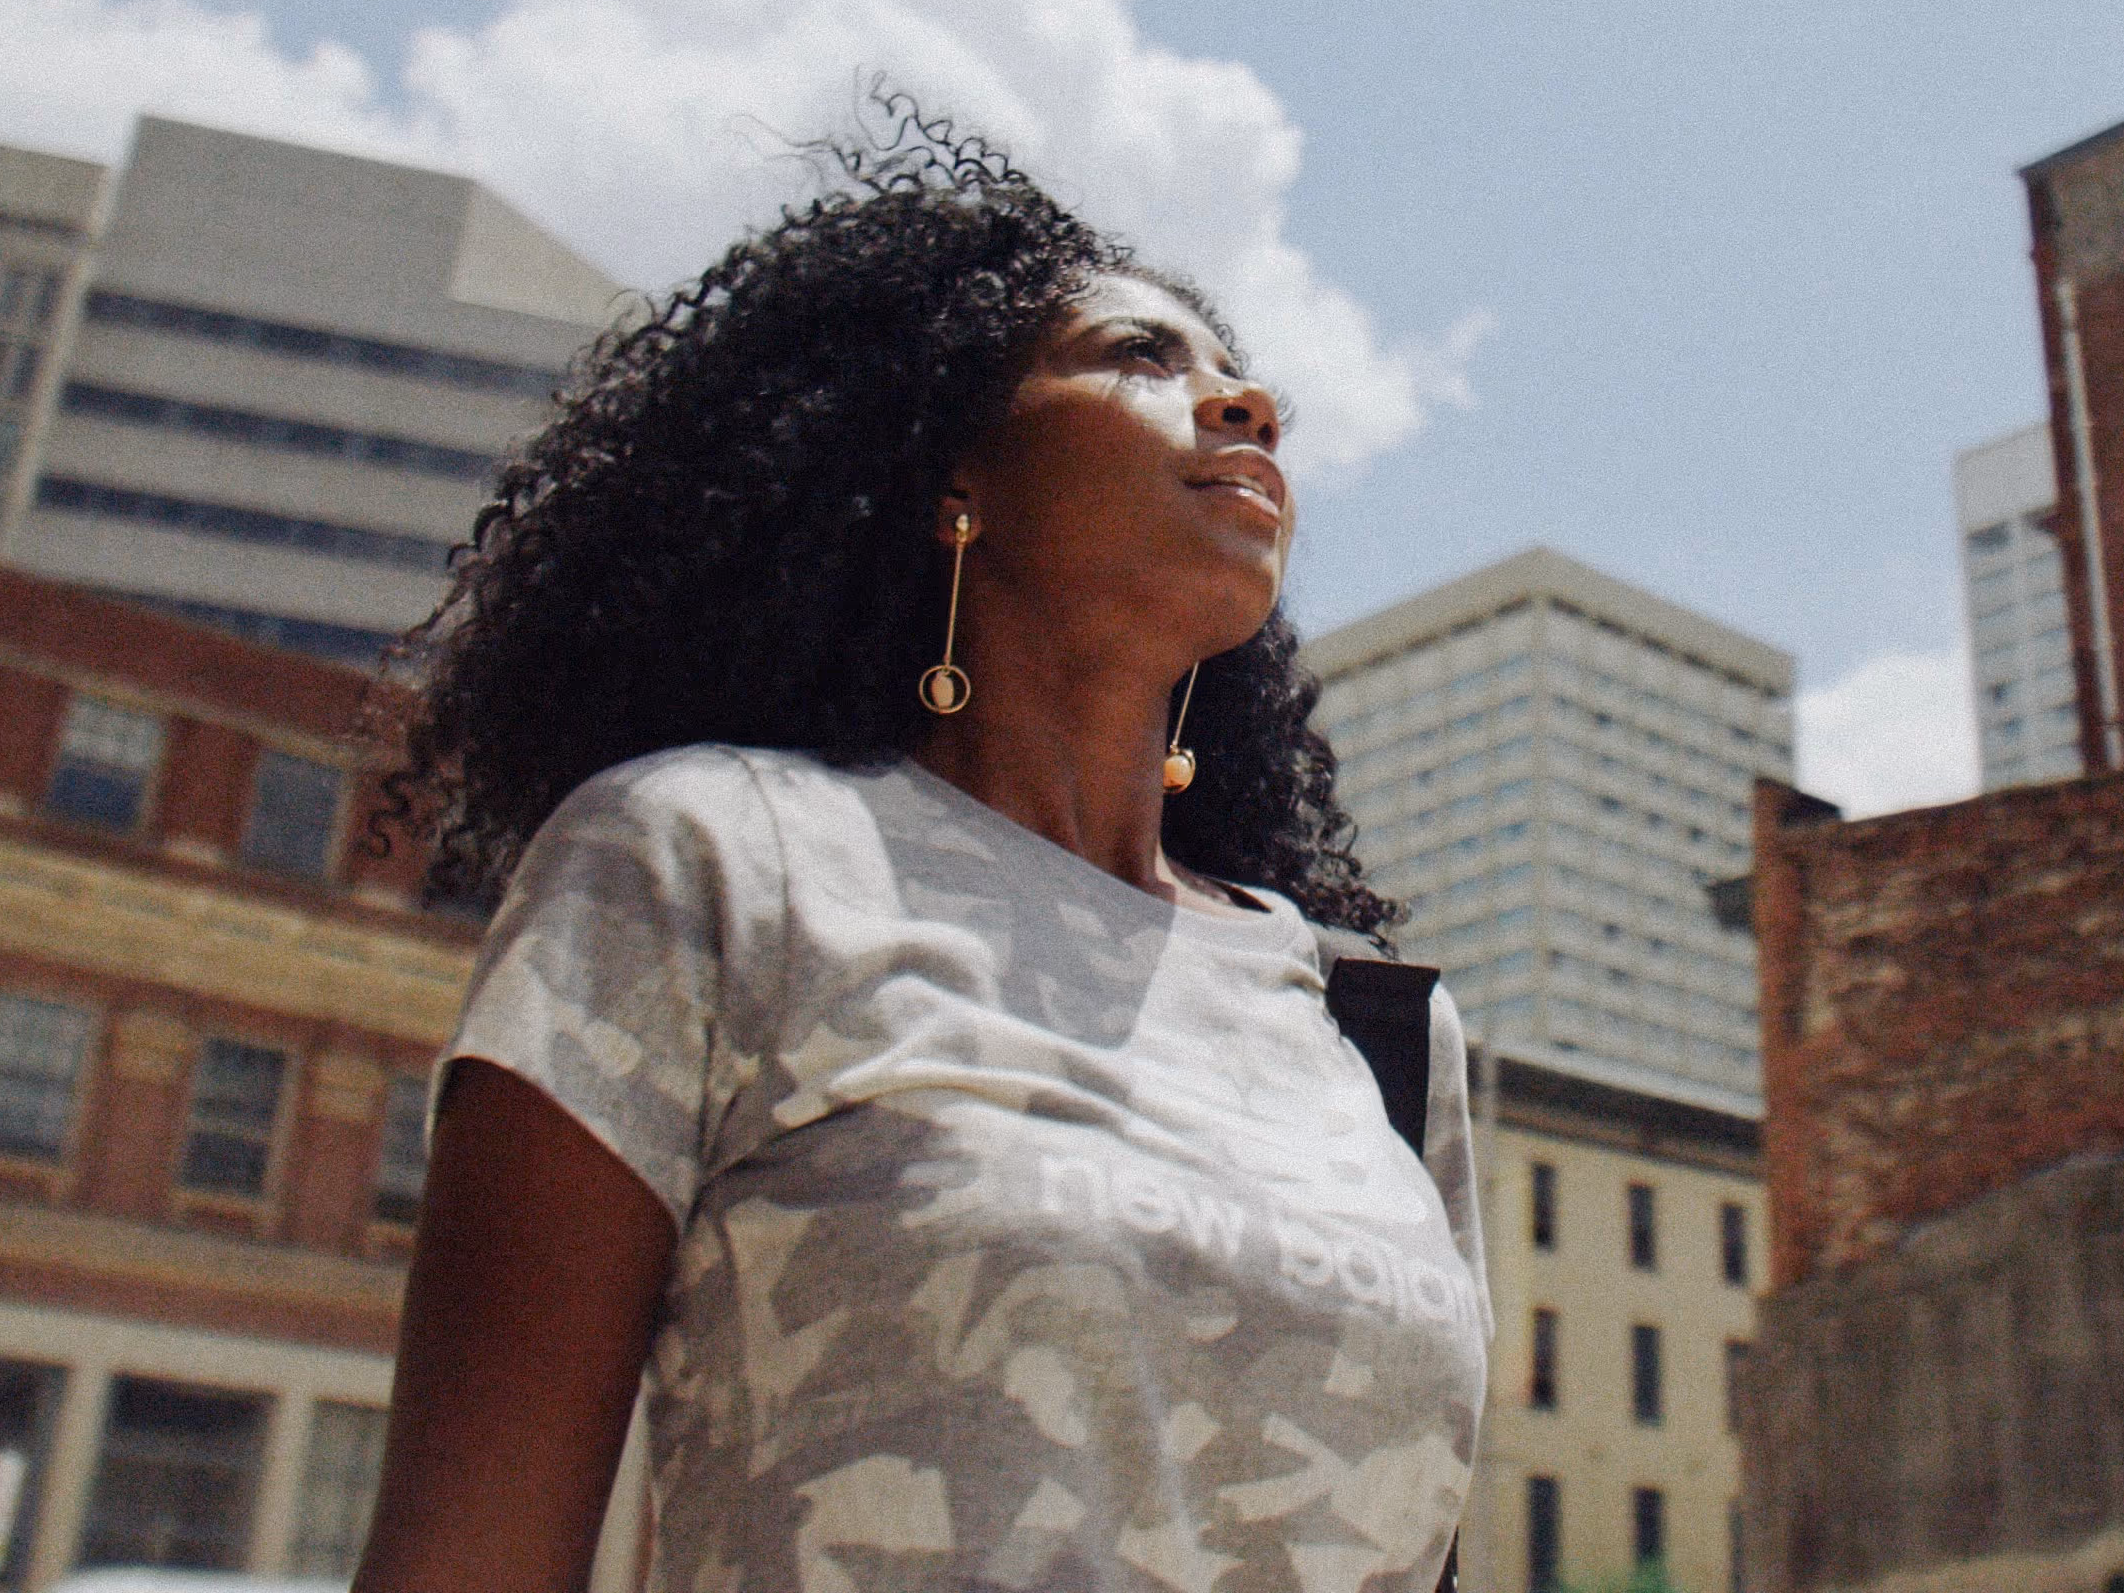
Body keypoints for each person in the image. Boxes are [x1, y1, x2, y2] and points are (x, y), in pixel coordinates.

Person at [351, 94, 1487, 1593]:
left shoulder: (1385, 1035)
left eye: (1244, 377)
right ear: (954, 473)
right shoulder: (706, 859)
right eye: (1143, 358)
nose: (1244, 405)